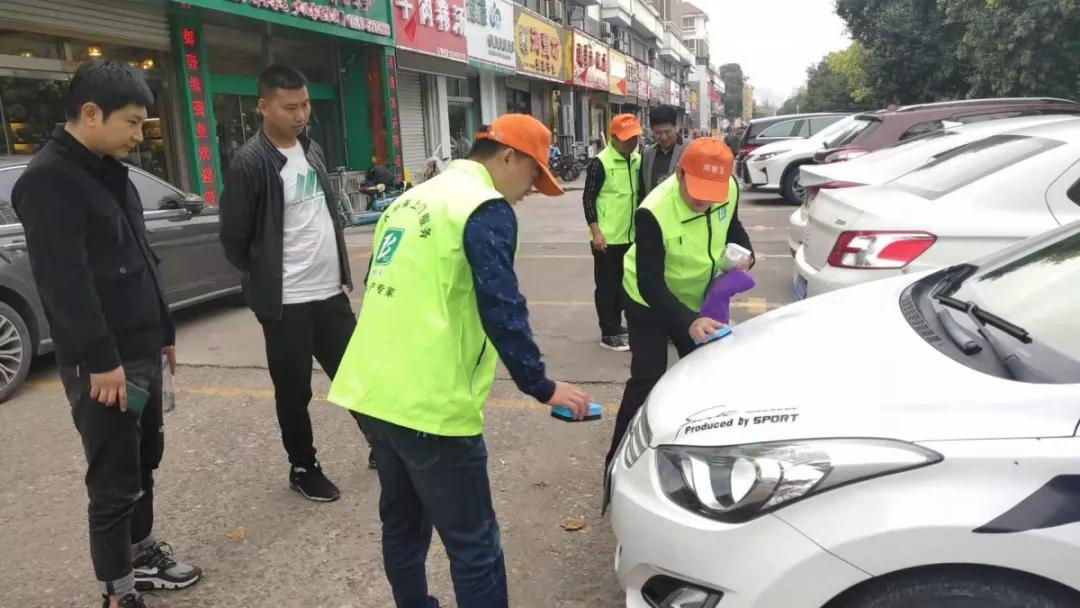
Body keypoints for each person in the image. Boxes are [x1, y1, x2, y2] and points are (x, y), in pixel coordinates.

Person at [328, 114, 592, 608]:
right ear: (508, 156)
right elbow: (502, 304)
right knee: (474, 545)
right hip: (431, 403)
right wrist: (541, 384)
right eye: (535, 174)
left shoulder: (411, 199)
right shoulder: (483, 206)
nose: (532, 189)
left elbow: (381, 287)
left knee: (402, 525)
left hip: (372, 390)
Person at [11, 60, 201, 608]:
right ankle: (117, 593)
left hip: (140, 347)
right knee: (114, 478)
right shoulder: (49, 181)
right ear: (91, 114)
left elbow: (140, 258)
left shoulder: (108, 169)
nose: (141, 136)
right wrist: (101, 360)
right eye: (133, 123)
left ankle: (141, 556)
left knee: (145, 459)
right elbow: (64, 285)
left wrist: (164, 330)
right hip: (104, 362)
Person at [219, 65, 367, 503]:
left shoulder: (311, 147)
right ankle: (303, 466)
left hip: (329, 292)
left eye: (304, 105)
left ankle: (386, 447)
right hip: (287, 302)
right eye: (290, 107)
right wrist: (266, 276)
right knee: (294, 390)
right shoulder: (250, 162)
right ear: (263, 107)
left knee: (357, 374)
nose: (301, 115)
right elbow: (234, 237)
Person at [605, 138, 755, 466]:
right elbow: (650, 282)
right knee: (648, 375)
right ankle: (615, 461)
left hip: (697, 295)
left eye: (711, 193)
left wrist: (747, 254)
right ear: (679, 172)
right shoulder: (653, 211)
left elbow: (733, 226)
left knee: (703, 371)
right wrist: (688, 321)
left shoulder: (728, 189)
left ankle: (695, 450)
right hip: (647, 299)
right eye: (696, 190)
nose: (703, 200)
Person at [582, 114, 643, 352]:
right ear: (614, 138)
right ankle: (608, 332)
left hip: (631, 236)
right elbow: (588, 198)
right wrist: (596, 233)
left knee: (625, 286)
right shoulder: (601, 162)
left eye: (635, 138)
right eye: (627, 139)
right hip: (606, 239)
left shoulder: (636, 161)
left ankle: (619, 327)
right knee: (607, 287)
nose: (632, 143)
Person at [640, 105, 688, 200]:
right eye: (658, 133)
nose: (663, 137)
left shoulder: (689, 149)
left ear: (676, 126)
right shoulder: (647, 154)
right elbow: (642, 189)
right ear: (651, 130)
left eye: (667, 131)